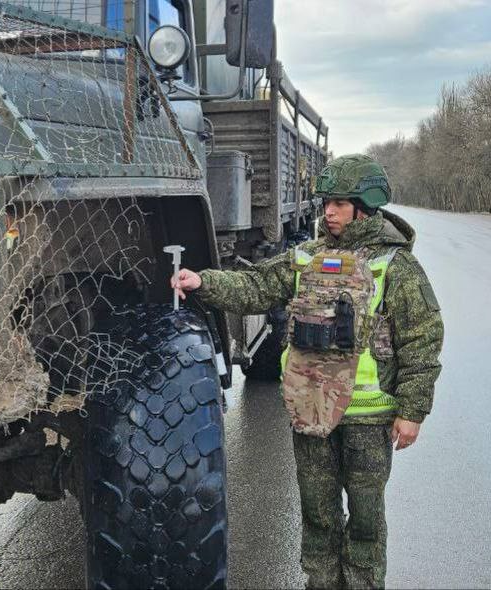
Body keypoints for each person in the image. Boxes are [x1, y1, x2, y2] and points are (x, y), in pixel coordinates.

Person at [171, 154, 444, 589]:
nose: (328, 212)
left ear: (365, 206)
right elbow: (255, 286)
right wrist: (203, 282)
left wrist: (413, 411)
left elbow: (423, 339)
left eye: (339, 203)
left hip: (369, 419)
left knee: (366, 520)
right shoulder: (304, 259)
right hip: (312, 412)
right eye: (326, 204)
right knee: (317, 515)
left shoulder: (397, 268)